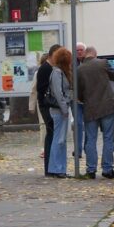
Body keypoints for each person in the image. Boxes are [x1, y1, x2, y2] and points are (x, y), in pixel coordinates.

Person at [78, 46, 114, 179]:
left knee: (91, 139)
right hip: (107, 106)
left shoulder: (80, 69)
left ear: (85, 54)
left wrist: (85, 99)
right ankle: (107, 169)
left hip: (90, 109)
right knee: (108, 138)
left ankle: (91, 170)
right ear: (95, 54)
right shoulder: (103, 63)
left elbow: (78, 92)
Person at [47, 48, 73, 178]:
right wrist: (64, 109)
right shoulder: (57, 73)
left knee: (60, 140)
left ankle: (59, 168)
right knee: (59, 140)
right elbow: (58, 93)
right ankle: (57, 168)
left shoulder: (60, 72)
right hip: (59, 110)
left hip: (61, 109)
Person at [36, 44, 61, 176]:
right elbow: (41, 89)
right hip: (47, 105)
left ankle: (51, 167)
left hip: (46, 104)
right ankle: (50, 167)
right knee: (51, 133)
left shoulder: (50, 67)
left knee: (51, 133)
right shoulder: (46, 68)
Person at [73, 41, 87, 157]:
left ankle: (88, 147)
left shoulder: (89, 63)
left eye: (81, 50)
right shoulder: (72, 64)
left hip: (88, 99)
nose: (79, 52)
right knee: (77, 124)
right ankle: (78, 150)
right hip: (76, 100)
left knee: (89, 124)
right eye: (77, 50)